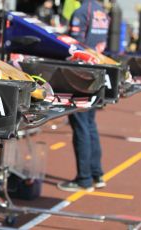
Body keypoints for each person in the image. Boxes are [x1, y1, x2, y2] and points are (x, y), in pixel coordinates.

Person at [57, 0, 109, 192]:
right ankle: (97, 174)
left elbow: (74, 47)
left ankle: (84, 179)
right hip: (97, 70)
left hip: (81, 74)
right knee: (90, 125)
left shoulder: (81, 11)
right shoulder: (101, 11)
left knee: (81, 125)